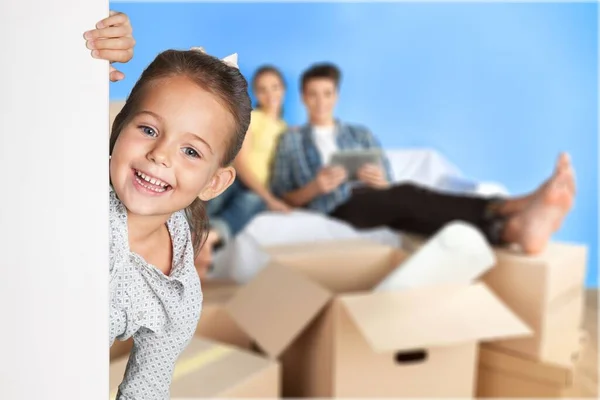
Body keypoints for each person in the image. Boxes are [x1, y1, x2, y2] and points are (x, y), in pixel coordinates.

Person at [85, 15, 252, 400]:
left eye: (191, 151)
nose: (160, 155)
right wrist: (80, 48)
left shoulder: (178, 296)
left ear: (214, 183)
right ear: (118, 128)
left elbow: (147, 389)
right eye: (147, 129)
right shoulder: (75, 190)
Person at [270, 63, 576, 255]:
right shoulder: (292, 140)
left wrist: (380, 181)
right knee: (408, 194)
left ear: (336, 96)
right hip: (335, 208)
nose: (320, 102)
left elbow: (387, 179)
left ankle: (513, 229)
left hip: (376, 199)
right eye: (313, 94)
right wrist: (315, 188)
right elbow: (282, 195)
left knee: (417, 214)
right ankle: (510, 205)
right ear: (302, 98)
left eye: (327, 93)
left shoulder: (359, 134)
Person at [197, 66, 291, 278]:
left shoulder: (285, 129)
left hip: (255, 191)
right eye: (263, 89)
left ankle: (209, 238)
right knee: (213, 202)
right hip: (239, 179)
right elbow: (241, 163)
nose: (270, 94)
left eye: (275, 87)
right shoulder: (251, 118)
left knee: (250, 202)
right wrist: (269, 198)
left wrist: (272, 197)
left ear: (283, 90)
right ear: (257, 94)